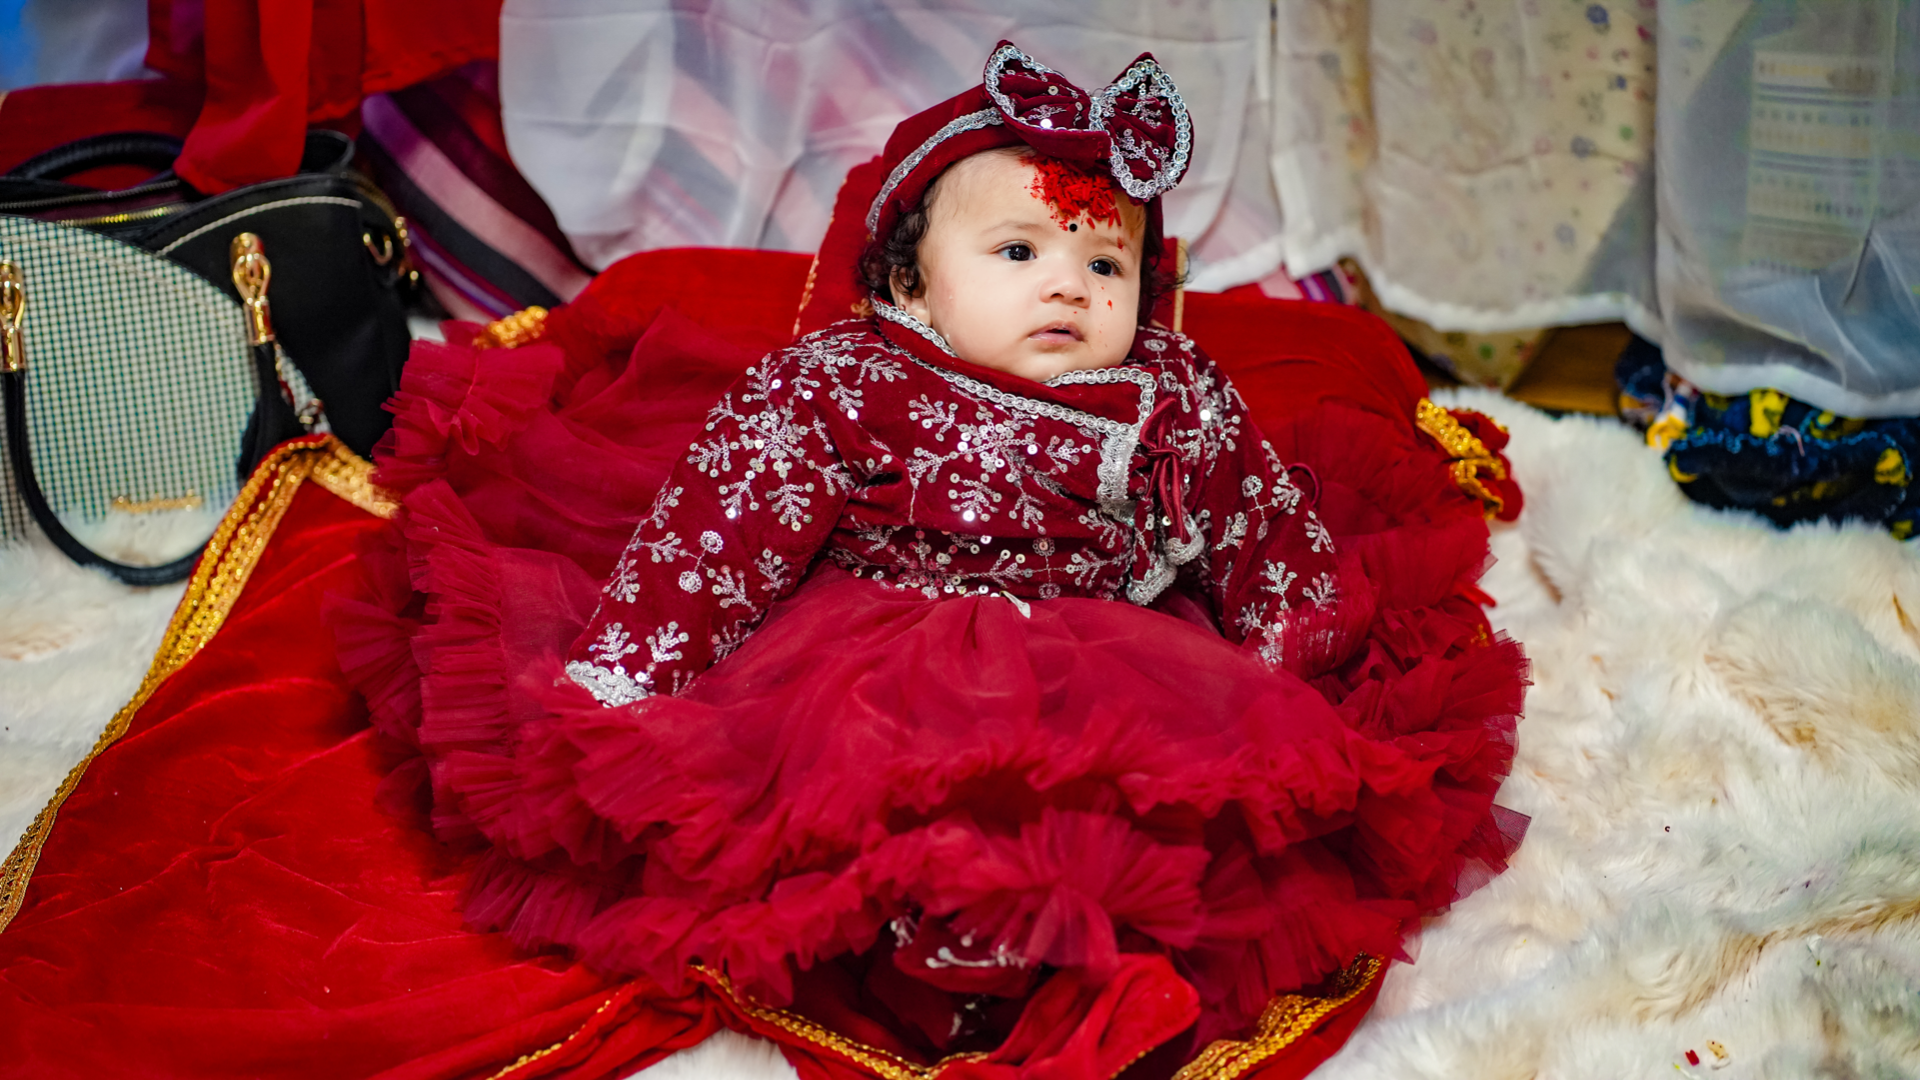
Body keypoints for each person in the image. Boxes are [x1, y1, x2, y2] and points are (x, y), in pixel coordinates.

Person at [338, 42, 1527, 1074]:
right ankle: (919, 937)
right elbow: (726, 530)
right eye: (1017, 252)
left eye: (1104, 265)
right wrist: (625, 682)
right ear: (910, 282)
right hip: (885, 637)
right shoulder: (850, 382)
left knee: (1140, 806)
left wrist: (1298, 665)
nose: (1067, 283)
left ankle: (1051, 944)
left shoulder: (1174, 391)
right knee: (873, 789)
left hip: (1118, 657)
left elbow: (1254, 522)